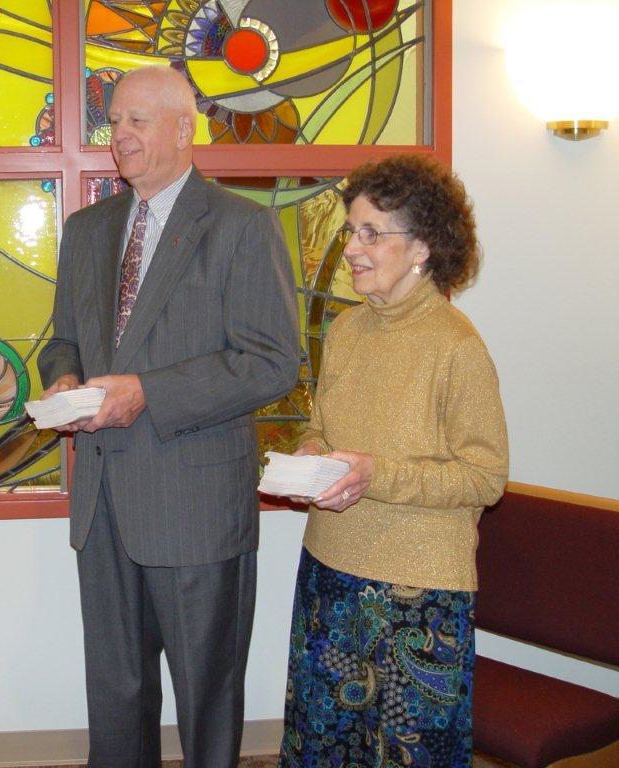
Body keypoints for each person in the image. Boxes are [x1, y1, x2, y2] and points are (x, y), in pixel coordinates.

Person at [38, 66, 300, 767]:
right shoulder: (87, 230)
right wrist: (61, 376)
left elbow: (273, 361)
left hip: (195, 499)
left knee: (206, 695)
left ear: (185, 129)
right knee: (116, 695)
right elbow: (62, 336)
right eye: (114, 121)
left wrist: (148, 391)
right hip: (102, 503)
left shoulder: (243, 225)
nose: (118, 135)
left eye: (135, 121)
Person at [278, 154, 509, 768]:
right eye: (350, 230)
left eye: (372, 233)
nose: (352, 247)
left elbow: (485, 477)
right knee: (322, 746)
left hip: (419, 593)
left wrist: (376, 475)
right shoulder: (348, 331)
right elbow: (323, 427)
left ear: (423, 248)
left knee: (409, 754)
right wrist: (310, 458)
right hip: (329, 570)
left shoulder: (457, 347)